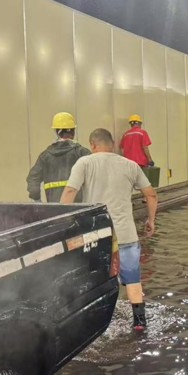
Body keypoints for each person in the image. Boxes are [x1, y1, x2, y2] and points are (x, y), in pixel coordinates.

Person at [60, 128, 159, 332]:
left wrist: (63, 223)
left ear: (92, 145)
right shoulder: (130, 165)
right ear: (113, 145)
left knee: (94, 281)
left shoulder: (84, 163)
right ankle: (139, 322)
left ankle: (93, 324)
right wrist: (151, 221)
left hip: (97, 235)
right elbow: (151, 195)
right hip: (126, 235)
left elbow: (70, 191)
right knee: (133, 280)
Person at [26, 112, 90, 202]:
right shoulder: (82, 153)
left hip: (54, 207)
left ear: (57, 132)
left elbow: (33, 179)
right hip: (80, 207)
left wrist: (37, 200)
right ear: (73, 131)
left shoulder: (45, 156)